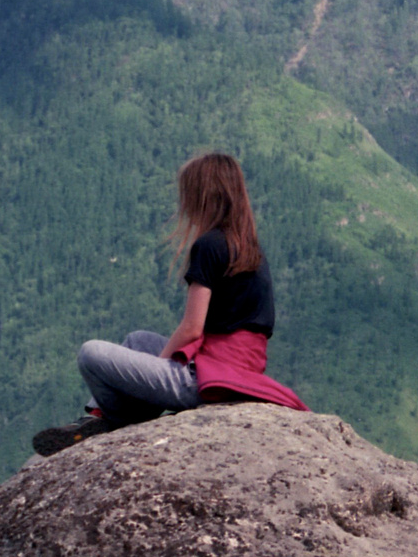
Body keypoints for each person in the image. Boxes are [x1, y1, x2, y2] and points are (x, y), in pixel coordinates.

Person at [33, 151, 305, 453]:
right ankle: (98, 417)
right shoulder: (250, 249)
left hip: (206, 380)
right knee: (138, 340)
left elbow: (191, 329)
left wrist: (159, 367)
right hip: (236, 374)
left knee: (90, 353)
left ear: (203, 196)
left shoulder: (210, 245)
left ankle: (113, 421)